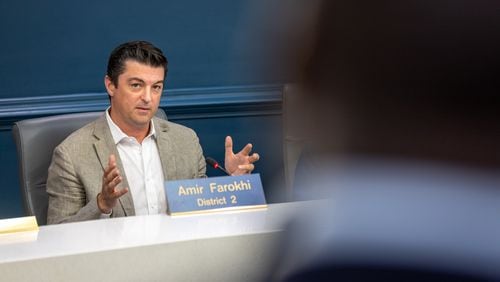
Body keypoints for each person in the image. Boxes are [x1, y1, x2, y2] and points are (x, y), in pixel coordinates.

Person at [46, 41, 259, 224]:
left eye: (156, 87)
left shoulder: (185, 140)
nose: (148, 98)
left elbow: (201, 216)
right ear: (110, 85)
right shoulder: (71, 154)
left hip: (179, 262)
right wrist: (102, 204)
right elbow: (58, 235)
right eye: (137, 85)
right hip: (113, 266)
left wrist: (233, 186)